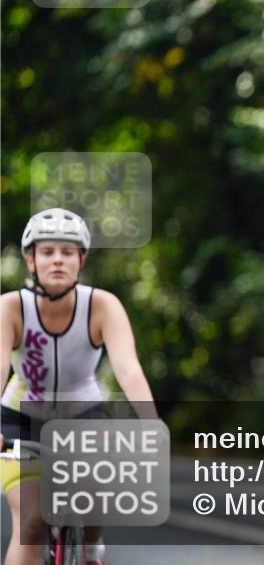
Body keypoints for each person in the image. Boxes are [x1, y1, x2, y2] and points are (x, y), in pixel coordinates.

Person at [0, 208, 157, 565]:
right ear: (31, 261)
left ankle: (93, 545)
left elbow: (128, 369)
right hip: (19, 420)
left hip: (85, 415)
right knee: (32, 524)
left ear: (81, 260)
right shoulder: (10, 308)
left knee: (95, 499)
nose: (58, 259)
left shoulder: (102, 305)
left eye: (68, 252)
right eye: (47, 251)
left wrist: (151, 422)